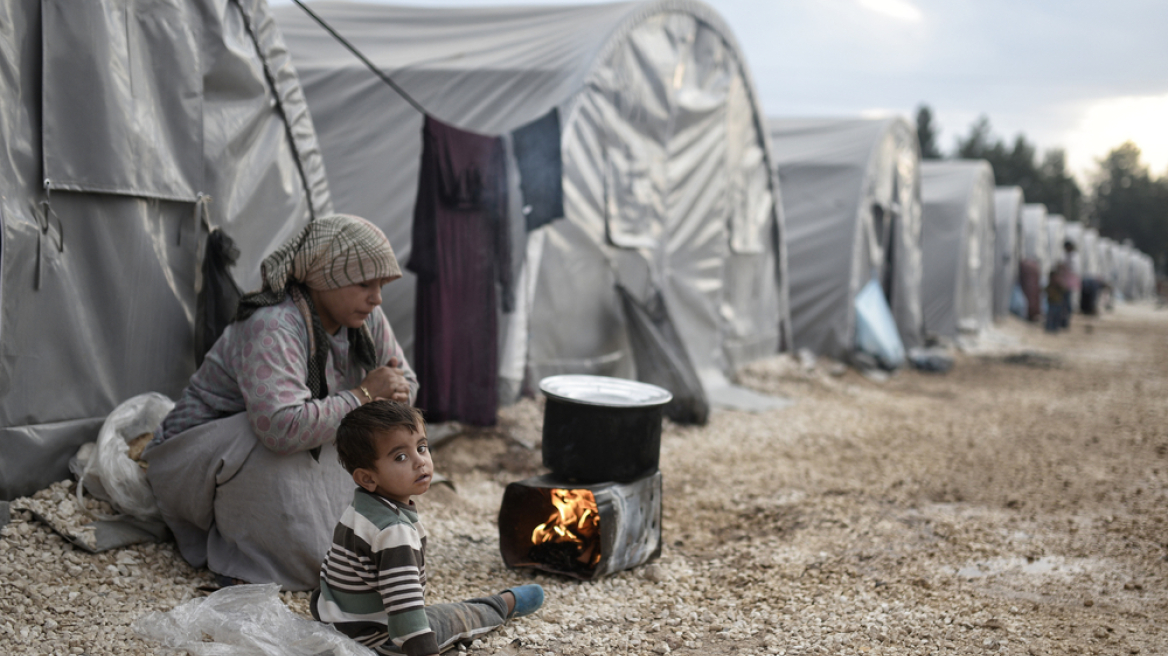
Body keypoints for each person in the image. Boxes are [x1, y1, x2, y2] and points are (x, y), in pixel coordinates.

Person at [143, 214, 419, 590]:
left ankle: (321, 553)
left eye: (381, 285)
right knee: (278, 438)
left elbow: (406, 384)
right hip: (200, 458)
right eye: (364, 284)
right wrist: (365, 394)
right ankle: (254, 562)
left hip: (294, 439)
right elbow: (280, 427)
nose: (377, 297)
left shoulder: (367, 317)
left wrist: (393, 393)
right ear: (324, 277)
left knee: (369, 444)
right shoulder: (272, 324)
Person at [312, 401, 544, 655]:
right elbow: (406, 610)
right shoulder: (394, 531)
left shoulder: (361, 508)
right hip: (374, 640)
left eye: (422, 447)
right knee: (454, 616)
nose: (420, 462)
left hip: (335, 621)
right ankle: (502, 604)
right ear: (367, 477)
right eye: (401, 456)